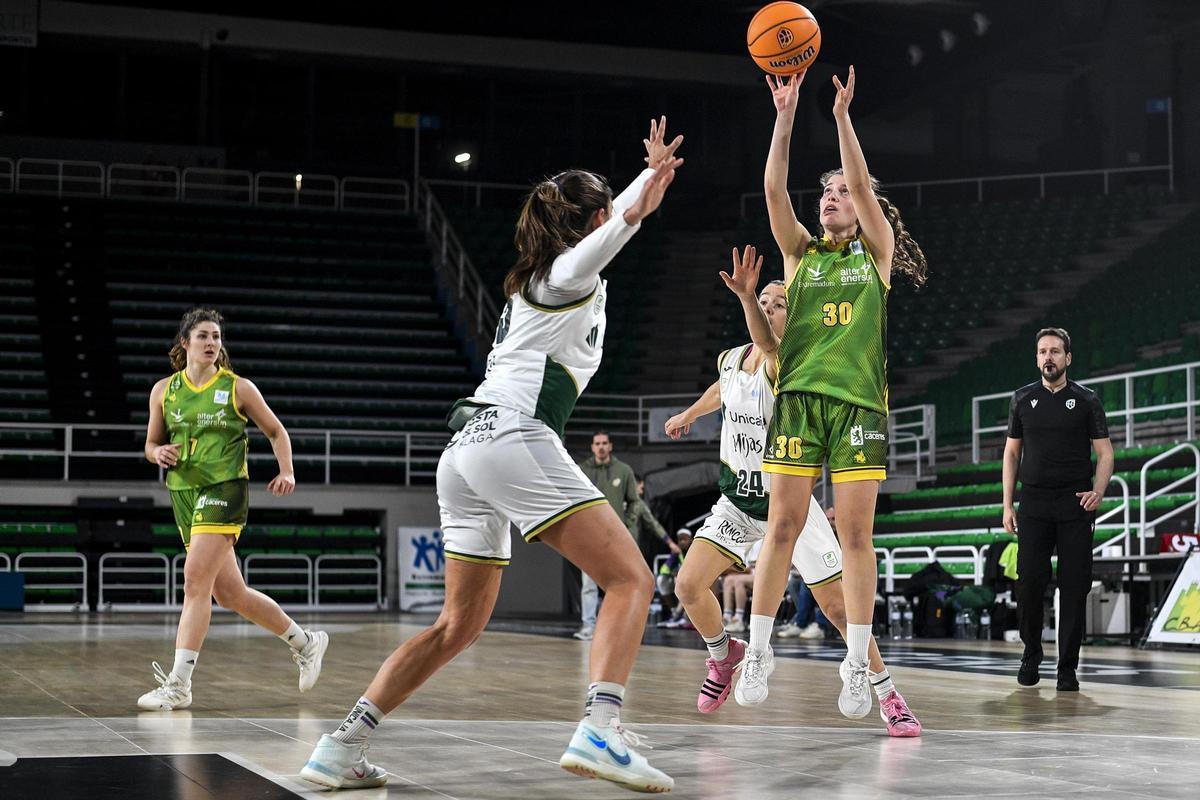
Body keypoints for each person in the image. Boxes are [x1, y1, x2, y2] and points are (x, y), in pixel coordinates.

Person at [300, 118, 684, 793]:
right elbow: (614, 228)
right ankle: (600, 729)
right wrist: (644, 187)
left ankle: (340, 747)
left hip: (465, 452)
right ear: (592, 219)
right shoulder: (566, 275)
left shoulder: (537, 280)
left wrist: (642, 191)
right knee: (632, 580)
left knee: (458, 625)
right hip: (511, 435)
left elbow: (618, 219)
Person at [731, 66, 928, 716]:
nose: (831, 197)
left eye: (842, 192)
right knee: (781, 526)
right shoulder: (799, 255)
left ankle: (855, 661)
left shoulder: (874, 253)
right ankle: (757, 649)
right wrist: (785, 114)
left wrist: (842, 117)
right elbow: (770, 187)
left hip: (859, 406)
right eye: (827, 192)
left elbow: (865, 184)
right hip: (801, 404)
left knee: (855, 540)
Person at [664, 246, 920, 736]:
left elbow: (770, 347)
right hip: (739, 501)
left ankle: (887, 693)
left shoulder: (793, 363)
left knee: (841, 610)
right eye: (763, 298)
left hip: (791, 507)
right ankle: (725, 655)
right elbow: (722, 388)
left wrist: (744, 300)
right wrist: (688, 415)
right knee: (687, 585)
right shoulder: (730, 358)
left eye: (778, 302)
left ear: (794, 315)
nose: (766, 305)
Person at [138, 308, 327, 711]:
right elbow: (150, 444)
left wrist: (287, 471)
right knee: (230, 593)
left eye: (217, 337)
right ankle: (306, 642)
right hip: (184, 493)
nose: (212, 343)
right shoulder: (163, 391)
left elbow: (276, 431)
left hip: (225, 489)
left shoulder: (238, 388)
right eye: (203, 336)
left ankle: (179, 684)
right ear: (184, 342)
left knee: (193, 581)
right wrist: (158, 452)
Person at [1002, 326, 1113, 691]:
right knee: (1029, 584)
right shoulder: (1021, 399)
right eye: (1042, 352)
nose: (1048, 357)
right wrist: (1007, 504)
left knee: (1074, 586)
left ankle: (1067, 668)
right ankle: (1031, 655)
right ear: (1036, 358)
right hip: (1033, 503)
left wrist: (1098, 490)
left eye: (1055, 351)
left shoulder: (1087, 400)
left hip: (1075, 504)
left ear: (1068, 358)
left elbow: (1105, 452)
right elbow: (1012, 453)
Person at [574, 432, 666, 640]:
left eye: (604, 443)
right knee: (588, 584)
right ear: (592, 447)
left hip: (614, 538)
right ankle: (588, 626)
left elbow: (635, 501)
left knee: (616, 583)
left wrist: (626, 524)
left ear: (611, 446)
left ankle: (612, 627)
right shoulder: (582, 470)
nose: (601, 447)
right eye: (597, 444)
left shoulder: (623, 471)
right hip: (589, 537)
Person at [633, 475, 681, 566]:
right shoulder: (618, 502)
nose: (642, 491)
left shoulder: (639, 505)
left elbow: (654, 525)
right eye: (641, 488)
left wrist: (670, 543)